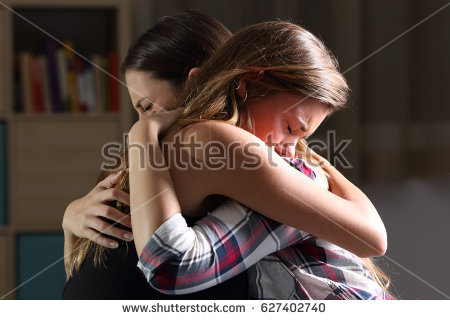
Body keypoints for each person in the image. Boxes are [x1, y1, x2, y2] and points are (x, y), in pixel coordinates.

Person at [128, 20, 393, 299]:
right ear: (249, 83)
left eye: (301, 139)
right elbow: (373, 238)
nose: (290, 151)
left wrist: (141, 134)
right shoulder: (215, 140)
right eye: (291, 129)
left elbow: (372, 238)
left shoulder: (223, 149)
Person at [61, 10, 250, 299]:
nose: (142, 121)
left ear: (195, 84)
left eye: (147, 107)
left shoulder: (205, 150)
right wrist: (70, 220)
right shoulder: (151, 159)